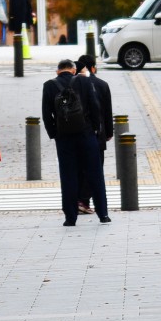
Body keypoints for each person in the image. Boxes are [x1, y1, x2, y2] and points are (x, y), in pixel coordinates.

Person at [42, 57, 101, 226]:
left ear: (57, 71)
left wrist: (54, 133)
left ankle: (70, 217)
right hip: (86, 134)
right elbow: (94, 106)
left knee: (68, 176)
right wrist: (96, 129)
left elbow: (46, 114)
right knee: (94, 173)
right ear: (74, 70)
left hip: (64, 137)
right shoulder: (84, 81)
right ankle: (103, 213)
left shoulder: (49, 85)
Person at [75, 54, 114, 222]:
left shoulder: (72, 84)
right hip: (96, 135)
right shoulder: (102, 85)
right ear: (92, 68)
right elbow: (107, 111)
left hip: (76, 134)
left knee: (79, 168)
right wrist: (109, 132)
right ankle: (84, 201)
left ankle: (79, 200)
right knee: (96, 169)